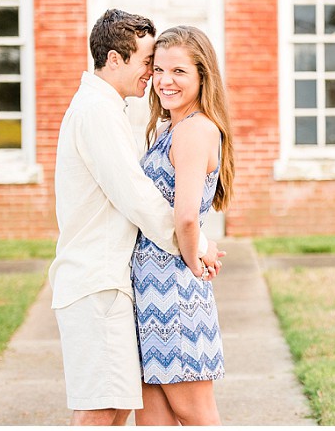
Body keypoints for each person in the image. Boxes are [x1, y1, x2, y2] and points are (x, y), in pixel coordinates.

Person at [49, 10, 224, 426]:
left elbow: (166, 201)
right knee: (104, 409)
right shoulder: (98, 111)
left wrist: (194, 240)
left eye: (172, 68)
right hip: (102, 282)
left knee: (128, 409)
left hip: (143, 288)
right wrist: (198, 244)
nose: (154, 75)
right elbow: (136, 195)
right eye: (150, 63)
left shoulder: (114, 111)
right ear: (114, 59)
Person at [131, 25, 234, 426]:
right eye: (158, 70)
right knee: (152, 417)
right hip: (148, 293)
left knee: (196, 416)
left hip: (174, 294)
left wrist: (194, 260)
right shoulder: (168, 129)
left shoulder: (196, 129)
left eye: (178, 72)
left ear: (202, 76)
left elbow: (187, 215)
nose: (164, 81)